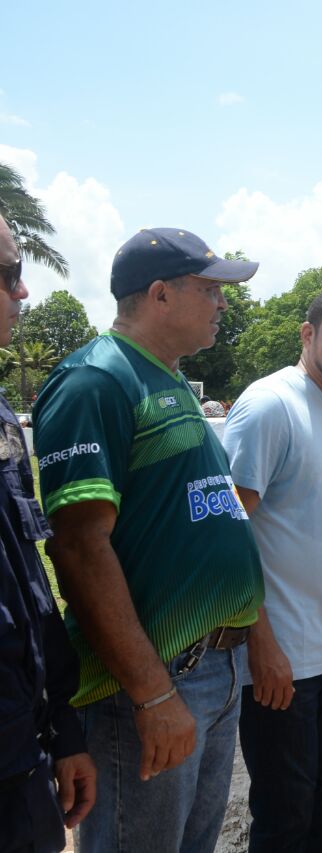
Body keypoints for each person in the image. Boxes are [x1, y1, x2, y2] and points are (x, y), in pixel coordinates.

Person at [33, 227, 264, 852]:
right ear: (160, 294)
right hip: (156, 681)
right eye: (210, 289)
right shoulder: (96, 381)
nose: (222, 303)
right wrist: (153, 692)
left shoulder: (169, 379)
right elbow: (79, 548)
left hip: (213, 670)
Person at [222, 287, 322, 852]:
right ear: (308, 334)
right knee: (285, 814)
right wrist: (261, 644)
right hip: (278, 659)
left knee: (318, 795)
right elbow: (228, 533)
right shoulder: (271, 406)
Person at [0, 215, 95, 852]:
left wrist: (62, 728)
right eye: (9, 273)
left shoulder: (3, 417)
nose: (22, 290)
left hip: (20, 759)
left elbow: (30, 584)